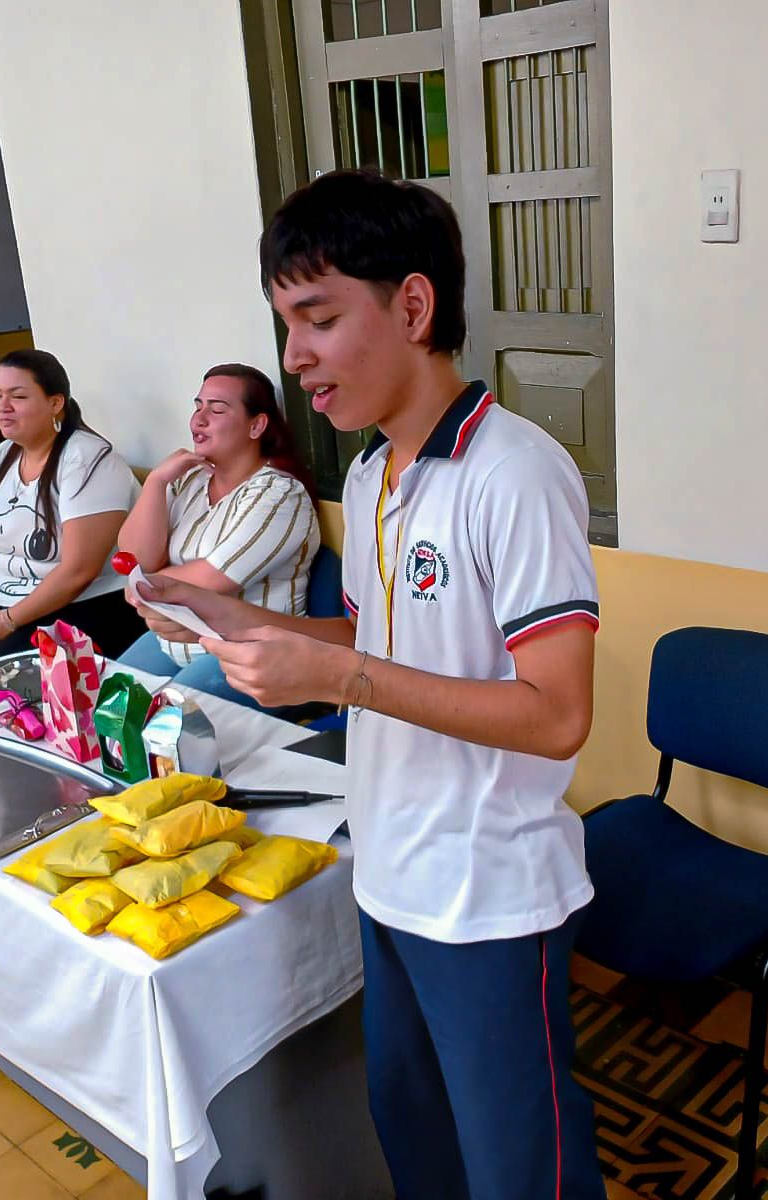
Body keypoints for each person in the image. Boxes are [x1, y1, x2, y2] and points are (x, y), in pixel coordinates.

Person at [129, 169, 605, 1200]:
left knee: (521, 1170)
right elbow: (378, 636)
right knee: (414, 1133)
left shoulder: (513, 474)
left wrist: (337, 673)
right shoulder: (373, 470)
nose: (293, 357)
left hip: (486, 895)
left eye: (317, 318)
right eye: (284, 323)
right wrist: (234, 619)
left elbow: (558, 713)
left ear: (414, 306)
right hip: (389, 868)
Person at [0, 348, 142, 689]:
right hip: (4, 605)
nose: (3, 407)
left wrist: (7, 620)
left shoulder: (89, 460)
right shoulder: (2, 455)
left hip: (82, 608)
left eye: (18, 396)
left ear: (55, 403)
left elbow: (79, 571)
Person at [114, 363, 319, 710]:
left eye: (217, 409)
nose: (199, 419)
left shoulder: (279, 493)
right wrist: (157, 482)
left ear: (256, 425)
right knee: (109, 704)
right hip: (175, 639)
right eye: (198, 406)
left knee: (161, 723)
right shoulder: (189, 480)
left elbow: (210, 582)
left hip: (245, 651)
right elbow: (135, 559)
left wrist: (142, 583)